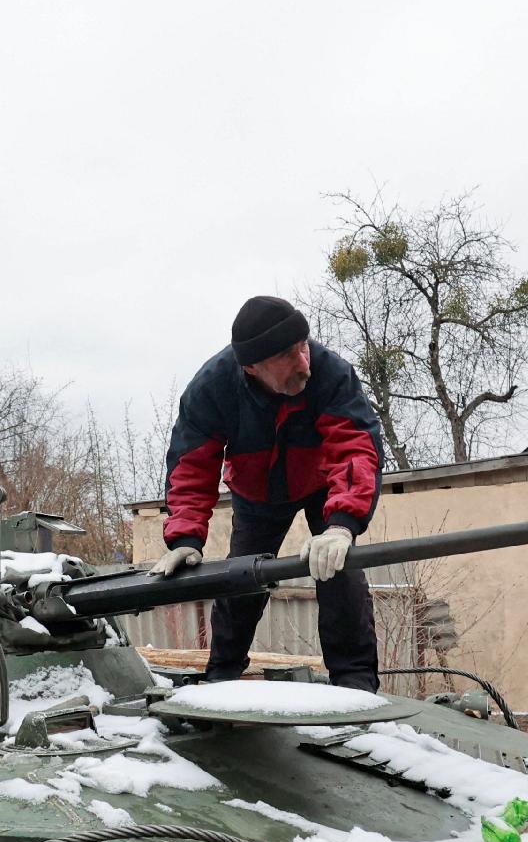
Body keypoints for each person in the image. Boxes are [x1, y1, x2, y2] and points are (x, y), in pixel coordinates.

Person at [154, 296, 385, 691]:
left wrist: (341, 525)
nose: (303, 362)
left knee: (339, 570)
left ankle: (356, 684)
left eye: (303, 346)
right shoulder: (212, 388)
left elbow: (355, 448)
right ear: (252, 367)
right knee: (240, 580)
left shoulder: (331, 373)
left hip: (322, 486)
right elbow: (192, 465)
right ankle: (222, 678)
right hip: (257, 495)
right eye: (286, 355)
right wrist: (185, 538)